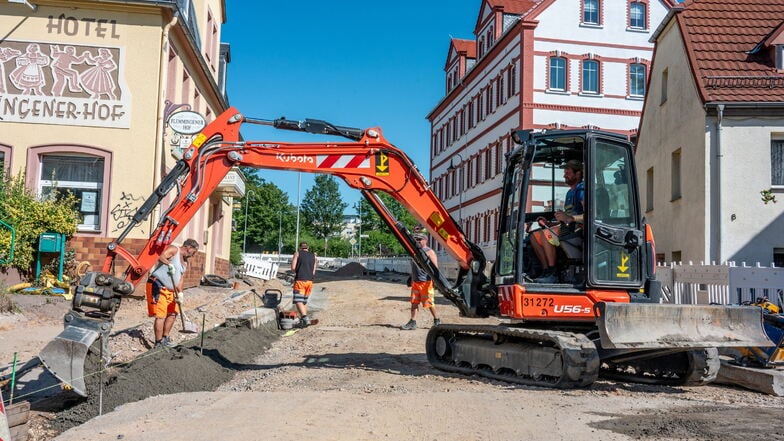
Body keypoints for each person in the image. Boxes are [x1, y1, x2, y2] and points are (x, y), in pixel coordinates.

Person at [530, 159, 584, 283]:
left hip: (577, 230)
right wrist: (550, 224)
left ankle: (553, 273)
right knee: (534, 236)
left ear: (578, 174)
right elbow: (566, 218)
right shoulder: (569, 193)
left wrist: (570, 218)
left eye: (568, 173)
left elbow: (589, 215)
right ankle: (546, 271)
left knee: (546, 235)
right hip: (566, 228)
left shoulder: (582, 190)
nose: (564, 175)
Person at [146, 238, 200, 348]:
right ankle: (158, 342)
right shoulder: (174, 250)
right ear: (189, 248)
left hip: (171, 291)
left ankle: (165, 338)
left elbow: (180, 279)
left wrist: (180, 293)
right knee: (160, 315)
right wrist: (168, 264)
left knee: (173, 314)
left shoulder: (185, 262)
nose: (193, 255)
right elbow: (160, 256)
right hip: (158, 285)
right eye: (194, 252)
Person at [401, 233, 441, 330]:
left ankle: (437, 320)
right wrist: (411, 278)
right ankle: (412, 322)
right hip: (416, 282)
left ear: (425, 240)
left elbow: (435, 268)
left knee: (429, 303)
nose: (417, 241)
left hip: (426, 282)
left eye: (419, 239)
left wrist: (435, 281)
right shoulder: (414, 252)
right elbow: (414, 267)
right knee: (414, 303)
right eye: (416, 240)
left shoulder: (429, 252)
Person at [291, 241, 317, 327]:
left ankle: (305, 318)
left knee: (298, 301)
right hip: (310, 282)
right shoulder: (314, 256)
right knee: (303, 302)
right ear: (307, 247)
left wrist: (299, 272)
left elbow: (293, 268)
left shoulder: (297, 254)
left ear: (300, 247)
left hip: (300, 281)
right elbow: (313, 271)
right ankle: (303, 319)